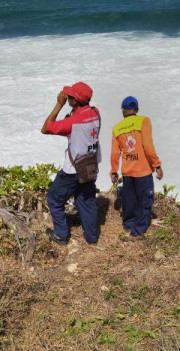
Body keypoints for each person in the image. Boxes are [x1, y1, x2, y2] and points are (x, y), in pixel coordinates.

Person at [41, 82, 101, 245]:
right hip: (90, 164)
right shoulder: (95, 113)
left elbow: (46, 128)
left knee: (54, 198)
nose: (66, 97)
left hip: (72, 169)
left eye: (69, 97)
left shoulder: (72, 123)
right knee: (86, 199)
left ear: (75, 101)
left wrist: (59, 105)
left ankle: (61, 235)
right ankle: (92, 237)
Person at [110, 96, 163, 236]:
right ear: (137, 109)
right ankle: (138, 230)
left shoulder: (117, 128)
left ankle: (128, 224)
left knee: (129, 200)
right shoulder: (144, 121)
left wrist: (114, 171)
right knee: (144, 199)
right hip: (143, 171)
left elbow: (115, 153)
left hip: (128, 171)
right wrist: (157, 164)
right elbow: (147, 146)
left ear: (123, 110)